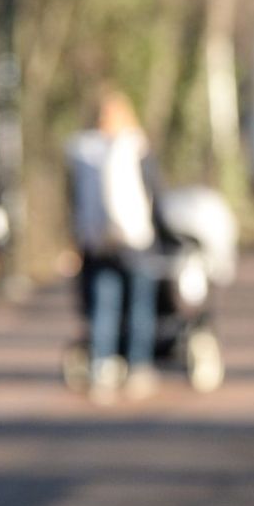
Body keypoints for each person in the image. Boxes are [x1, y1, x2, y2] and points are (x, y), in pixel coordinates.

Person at [66, 90, 167, 404]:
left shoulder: (81, 152)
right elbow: (156, 195)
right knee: (140, 308)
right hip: (136, 241)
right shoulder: (137, 148)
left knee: (102, 309)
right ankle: (138, 367)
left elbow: (72, 201)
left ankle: (103, 368)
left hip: (96, 242)